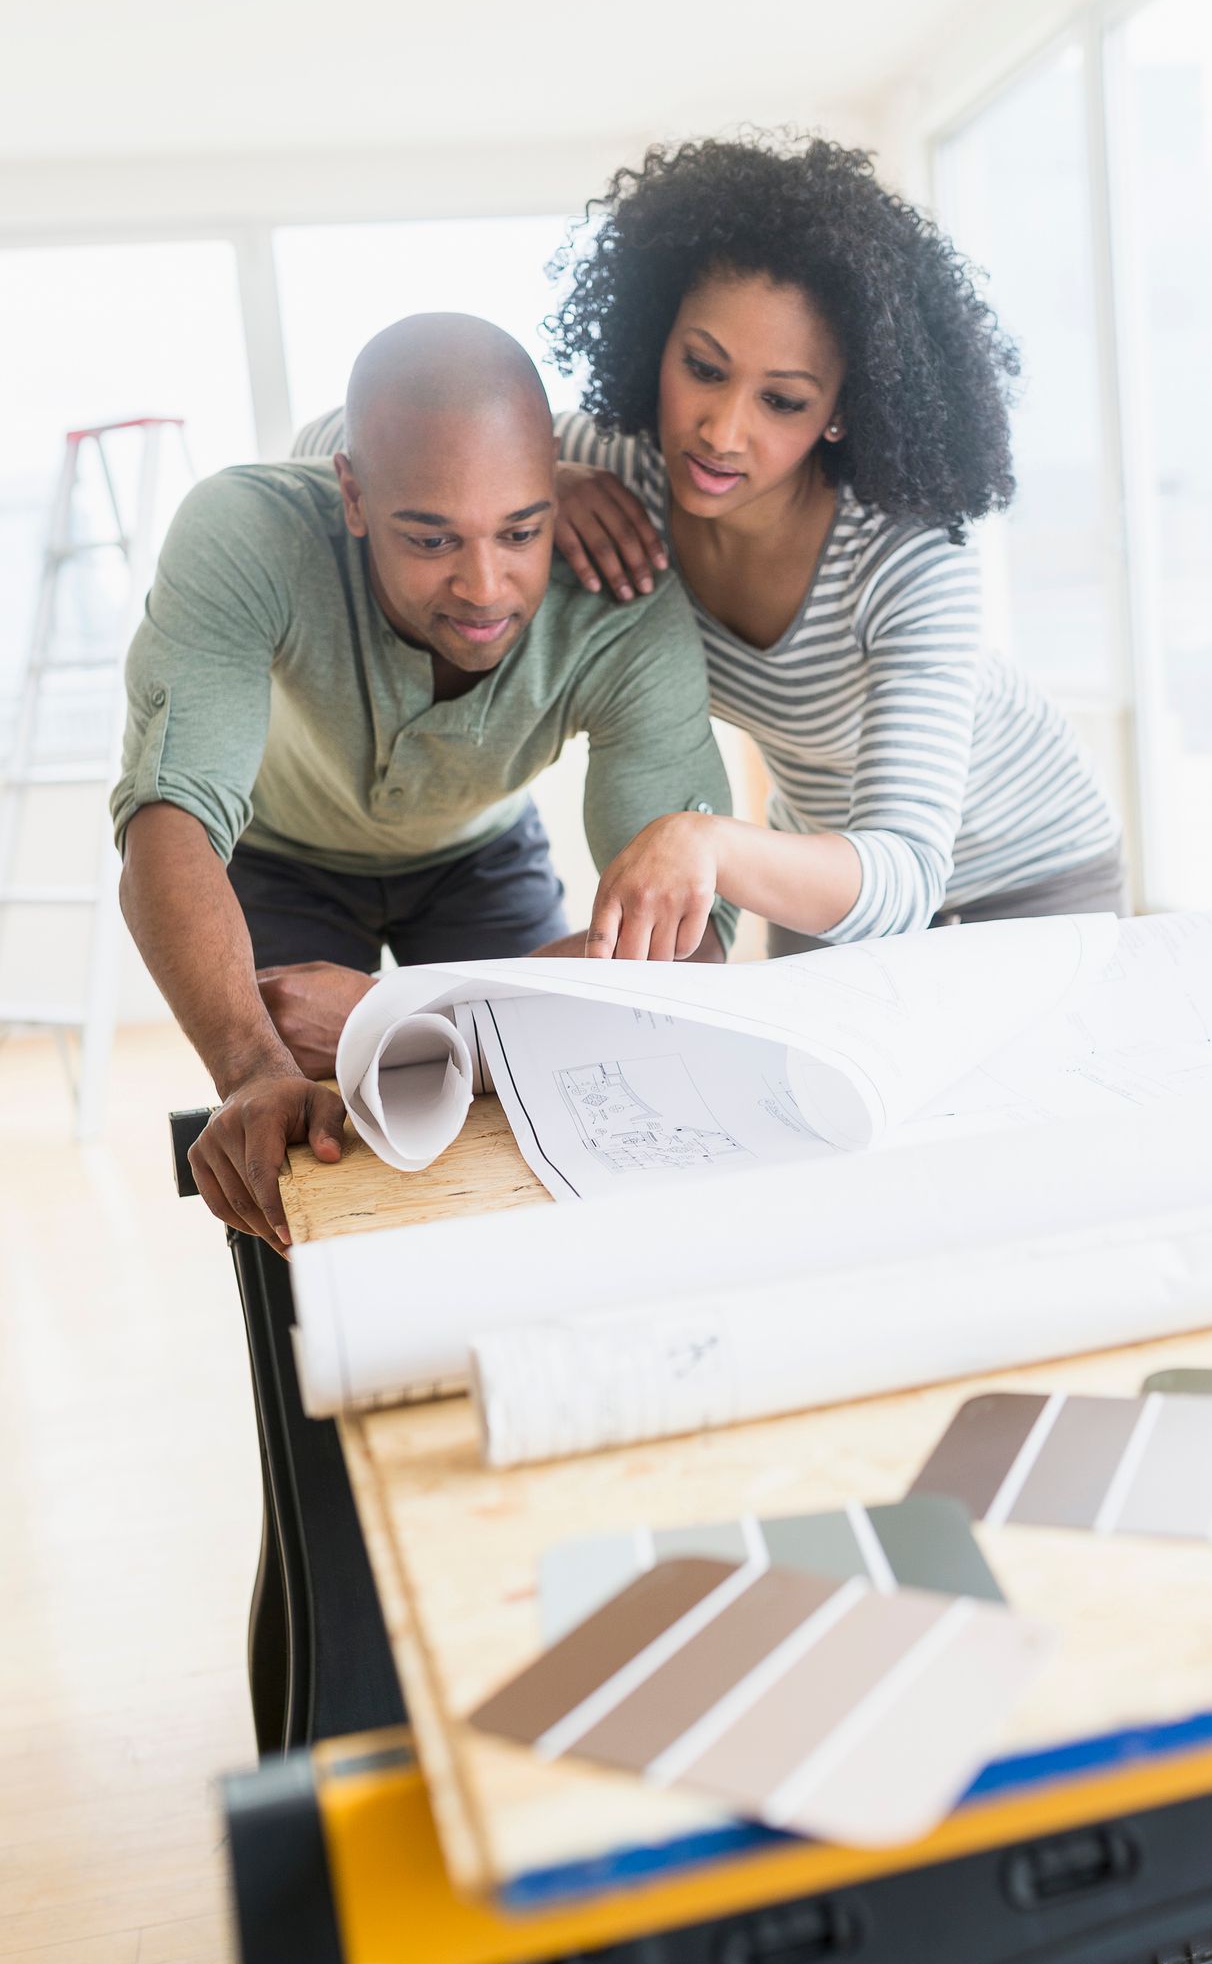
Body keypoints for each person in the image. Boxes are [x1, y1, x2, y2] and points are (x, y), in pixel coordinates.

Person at [114, 313, 734, 1251]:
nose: (485, 586)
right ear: (354, 497)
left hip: (478, 857)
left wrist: (402, 1016)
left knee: (549, 1129)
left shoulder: (627, 606)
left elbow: (696, 950)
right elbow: (171, 819)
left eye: (521, 530)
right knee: (292, 1161)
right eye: (432, 540)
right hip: (280, 858)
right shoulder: (245, 532)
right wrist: (249, 1070)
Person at [544, 135, 1125, 954]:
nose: (721, 431)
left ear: (841, 412)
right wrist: (534, 473)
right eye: (703, 368)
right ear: (656, 338)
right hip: (825, 870)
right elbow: (340, 441)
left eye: (782, 401)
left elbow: (907, 870)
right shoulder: (620, 468)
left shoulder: (906, 556)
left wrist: (705, 839)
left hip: (1025, 867)